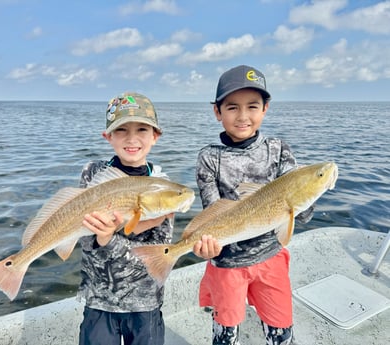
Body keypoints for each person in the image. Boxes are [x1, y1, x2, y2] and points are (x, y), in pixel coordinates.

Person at [193, 65, 314, 345]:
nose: (243, 116)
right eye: (233, 107)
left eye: (252, 106)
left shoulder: (279, 149)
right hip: (227, 264)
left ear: (265, 109)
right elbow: (214, 212)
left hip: (271, 258)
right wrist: (207, 245)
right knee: (225, 333)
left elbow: (303, 216)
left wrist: (309, 191)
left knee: (281, 331)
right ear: (217, 112)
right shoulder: (209, 158)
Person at [77, 92, 171, 345]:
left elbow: (156, 255)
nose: (131, 138)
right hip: (99, 300)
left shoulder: (163, 187)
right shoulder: (93, 173)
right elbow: (86, 241)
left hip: (145, 302)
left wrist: (110, 235)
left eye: (142, 128)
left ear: (155, 136)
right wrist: (110, 235)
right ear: (107, 137)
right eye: (121, 130)